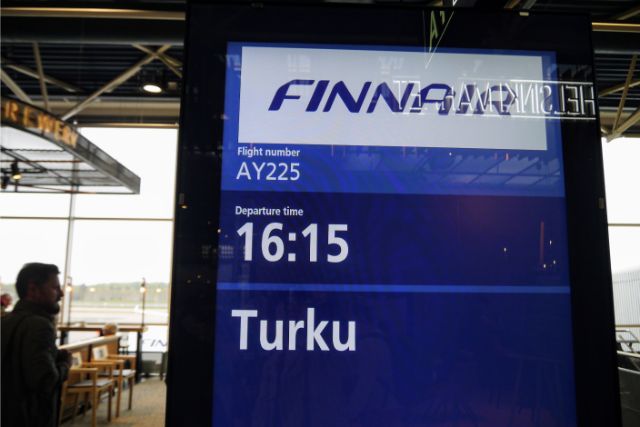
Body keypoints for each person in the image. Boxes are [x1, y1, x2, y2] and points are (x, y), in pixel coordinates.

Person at [1, 263, 72, 427]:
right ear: (33, 290)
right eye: (55, 288)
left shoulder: (5, 322)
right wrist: (65, 364)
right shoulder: (40, 326)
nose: (61, 294)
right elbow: (45, 381)